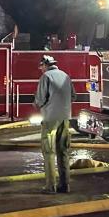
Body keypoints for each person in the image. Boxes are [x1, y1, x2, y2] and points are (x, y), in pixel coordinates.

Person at [33, 54, 73, 194]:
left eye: (41, 66)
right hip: (65, 119)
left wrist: (38, 105)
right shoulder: (66, 76)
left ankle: (51, 186)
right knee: (63, 151)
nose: (40, 69)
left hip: (50, 119)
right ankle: (65, 185)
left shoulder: (46, 77)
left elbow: (40, 99)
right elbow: (73, 96)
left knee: (49, 152)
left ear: (45, 65)